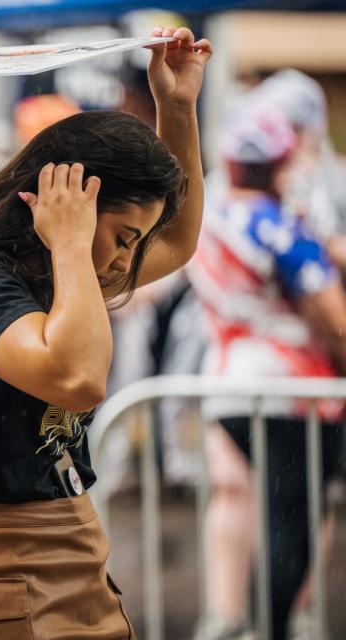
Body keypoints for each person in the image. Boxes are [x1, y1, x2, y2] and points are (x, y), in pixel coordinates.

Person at [0, 27, 212, 639]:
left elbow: (177, 240)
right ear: (74, 203)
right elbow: (76, 377)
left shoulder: (61, 272)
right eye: (122, 237)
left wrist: (178, 108)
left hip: (71, 550)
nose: (124, 261)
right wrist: (66, 241)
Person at [188, 104, 346, 640]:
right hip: (293, 389)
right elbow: (333, 317)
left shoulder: (206, 221)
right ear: (278, 162)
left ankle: (235, 618)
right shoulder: (279, 227)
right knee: (292, 519)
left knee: (247, 504)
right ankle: (271, 625)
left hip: (226, 383)